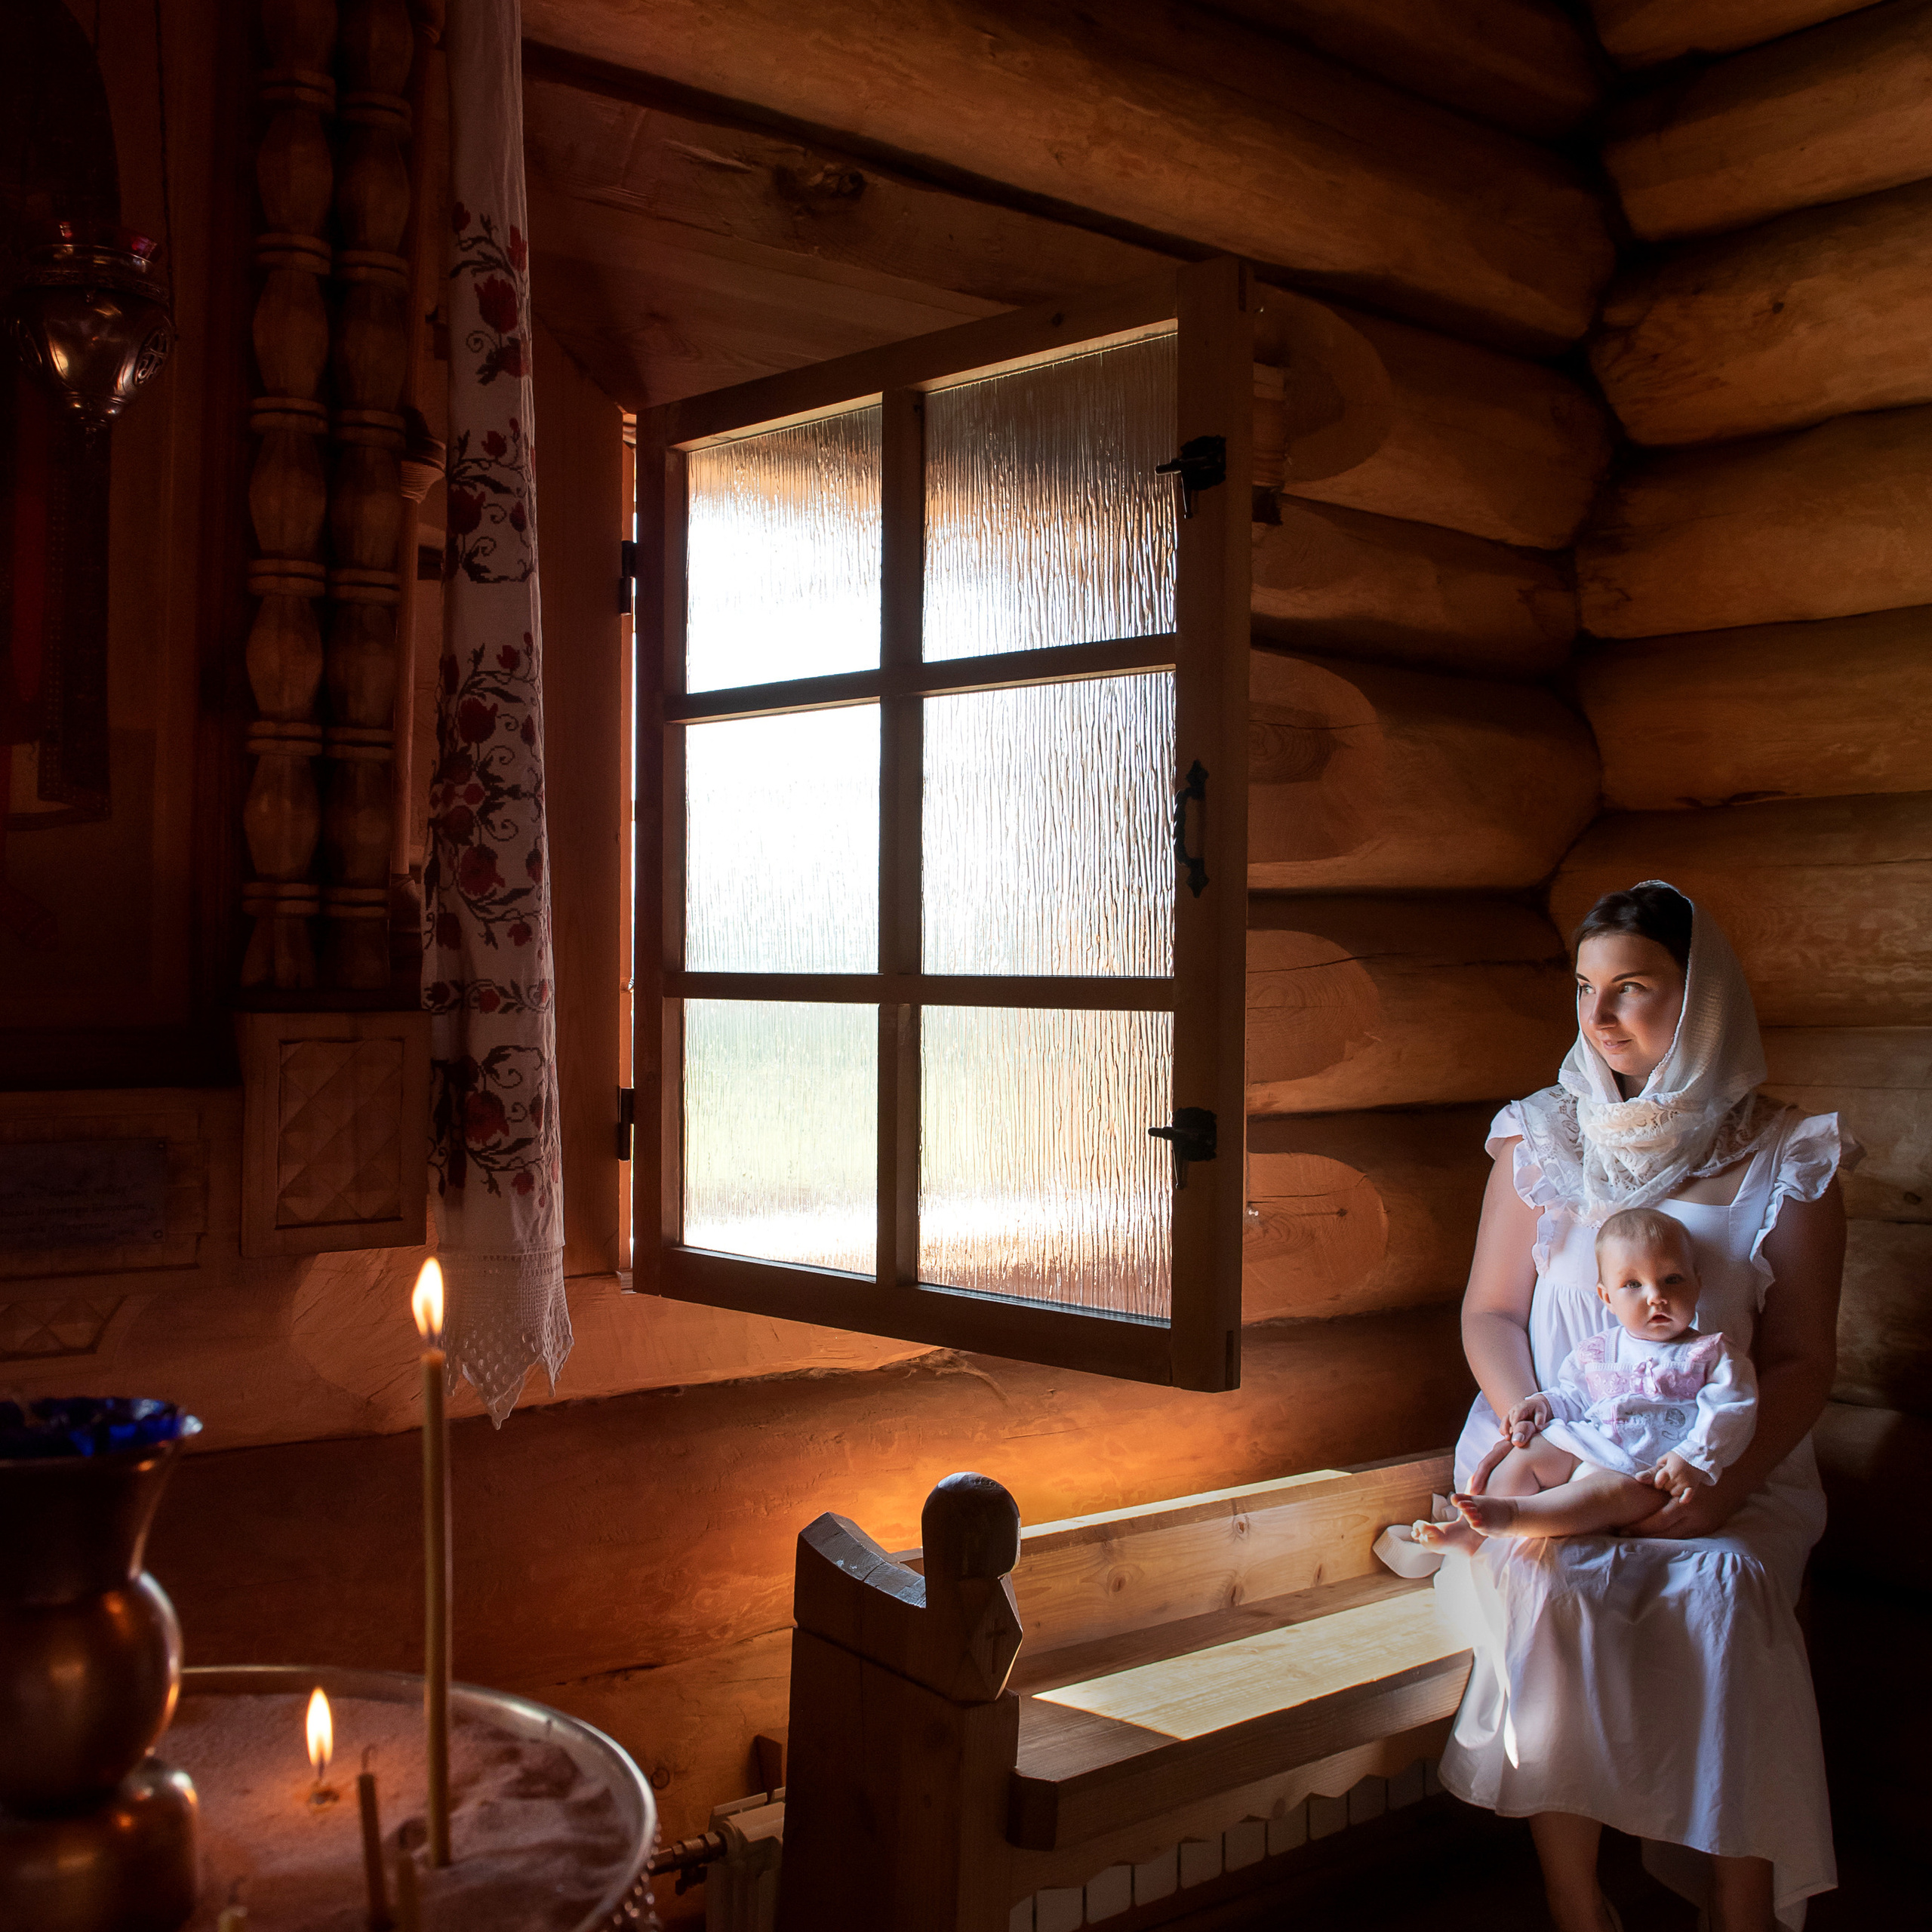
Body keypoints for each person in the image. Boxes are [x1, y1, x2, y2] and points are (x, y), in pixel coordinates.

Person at [1431, 880, 1850, 1932]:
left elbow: (1800, 1359)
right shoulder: (1541, 1139)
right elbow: (1490, 1313)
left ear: (1702, 999)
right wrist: (1530, 1415)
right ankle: (1581, 1908)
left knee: (1728, 1595)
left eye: (1634, 990)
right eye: (1585, 990)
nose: (1601, 1017)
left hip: (1719, 1458)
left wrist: (1722, 1492)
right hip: (1560, 1445)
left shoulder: (1783, 1155)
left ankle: (1737, 1905)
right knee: (1554, 1588)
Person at [1417, 1208, 1757, 1547]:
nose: (1656, 1296)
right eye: (1633, 1284)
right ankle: (1469, 1531)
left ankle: (1515, 1516)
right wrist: (1542, 1404)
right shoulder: (1599, 1350)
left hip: (1650, 1470)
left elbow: (1731, 1409)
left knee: (1607, 1494)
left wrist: (1693, 1458)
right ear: (1607, 1298)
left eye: (1672, 1279)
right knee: (1528, 1454)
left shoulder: (1710, 1354)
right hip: (1593, 1443)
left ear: (1697, 1284)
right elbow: (1575, 1396)